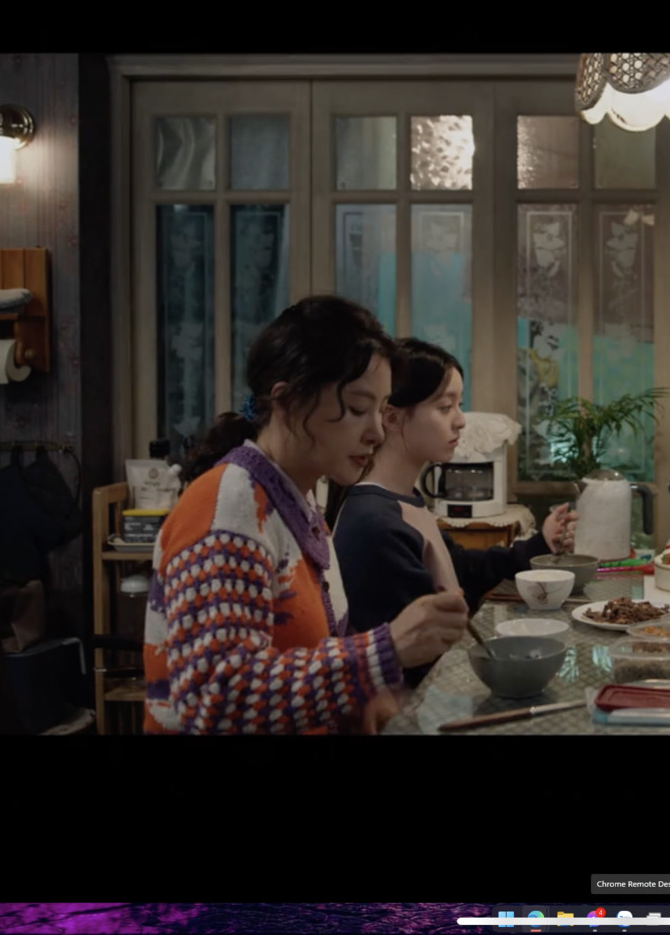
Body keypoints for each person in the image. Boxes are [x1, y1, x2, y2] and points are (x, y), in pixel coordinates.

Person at [143, 296, 469, 735]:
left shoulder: (301, 501)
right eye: (356, 409)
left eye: (380, 410)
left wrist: (366, 697)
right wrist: (384, 651)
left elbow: (307, 655)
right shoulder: (230, 507)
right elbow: (214, 699)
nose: (375, 432)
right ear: (289, 401)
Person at [333, 337, 579, 683]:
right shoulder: (374, 523)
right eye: (446, 406)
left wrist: (541, 543)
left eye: (458, 405)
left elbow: (460, 570)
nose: (461, 421)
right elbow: (413, 658)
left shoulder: (404, 499)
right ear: (391, 416)